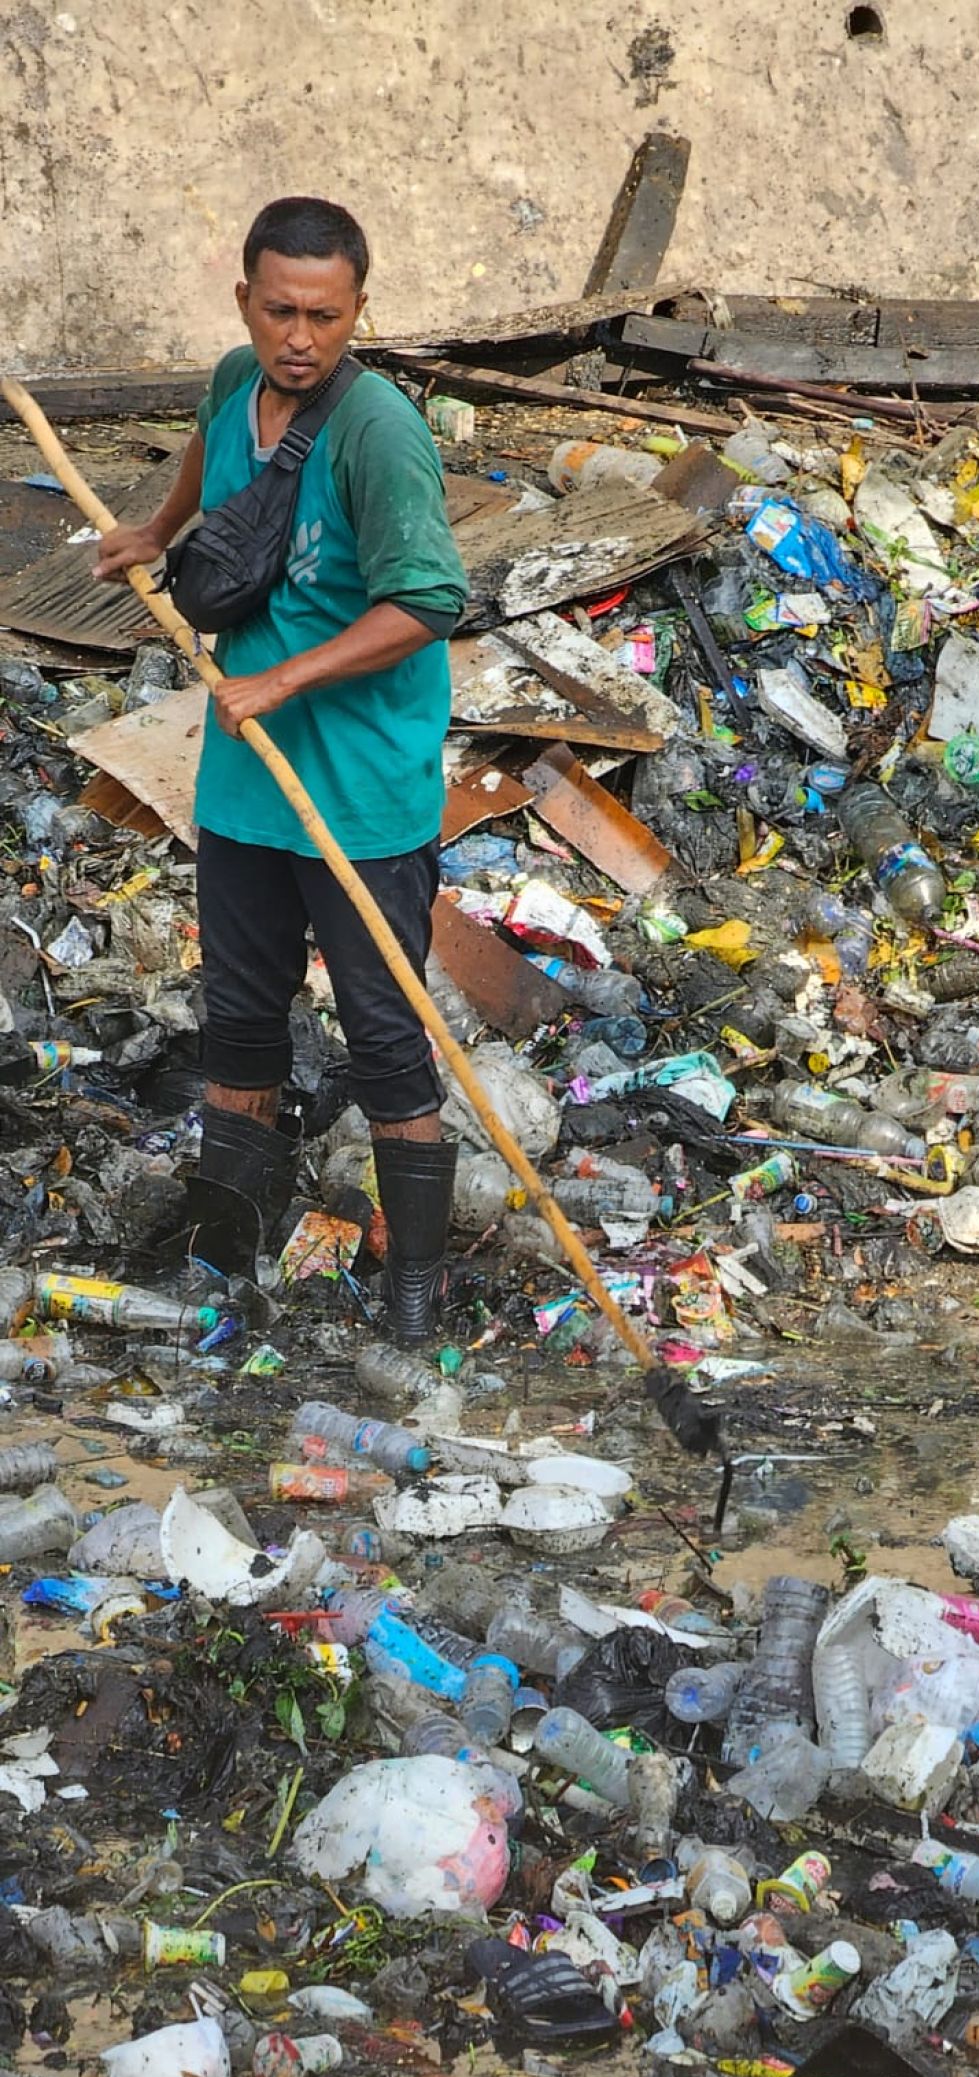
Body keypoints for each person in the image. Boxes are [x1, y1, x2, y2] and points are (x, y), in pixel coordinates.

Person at [95, 195, 468, 1341]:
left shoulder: (379, 432)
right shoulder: (230, 380)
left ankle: (418, 1283)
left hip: (356, 793)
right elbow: (212, 451)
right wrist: (158, 532)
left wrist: (284, 678)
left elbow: (429, 600)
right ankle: (225, 1247)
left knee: (386, 1036)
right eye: (278, 312)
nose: (299, 338)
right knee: (242, 1021)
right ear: (244, 301)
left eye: (324, 315)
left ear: (358, 309)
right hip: (246, 788)